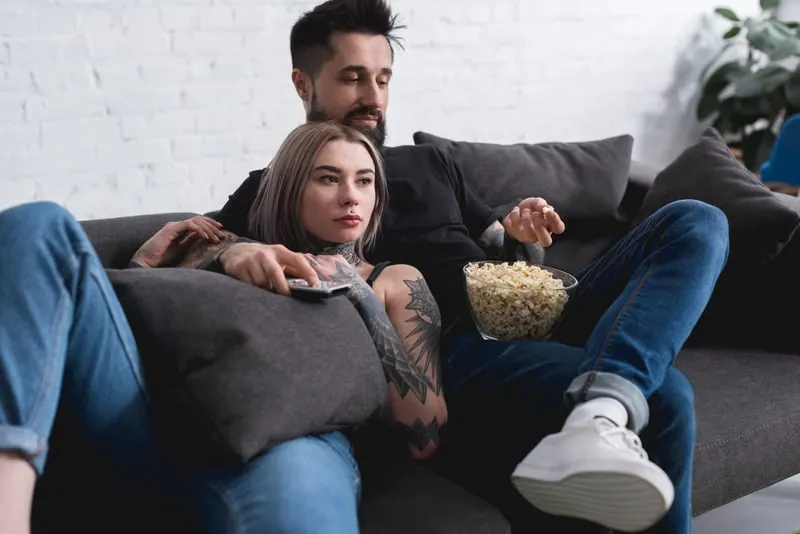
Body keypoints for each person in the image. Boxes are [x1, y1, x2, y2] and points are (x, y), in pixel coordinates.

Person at [150, 1, 731, 532]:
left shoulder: (431, 162)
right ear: (304, 83)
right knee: (668, 396)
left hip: (539, 305)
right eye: (352, 77)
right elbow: (198, 248)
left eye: (382, 78)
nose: (373, 96)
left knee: (697, 220)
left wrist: (523, 237)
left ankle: (600, 408)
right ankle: (607, 405)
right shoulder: (278, 184)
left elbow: (499, 246)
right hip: (462, 344)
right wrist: (225, 249)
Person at [0, 121, 445, 534]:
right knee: (36, 224)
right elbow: (133, 344)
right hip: (160, 427)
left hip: (293, 443)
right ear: (290, 190)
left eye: (364, 180)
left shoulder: (395, 281)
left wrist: (360, 297)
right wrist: (146, 265)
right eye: (329, 178)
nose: (351, 196)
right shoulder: (230, 250)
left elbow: (422, 433)